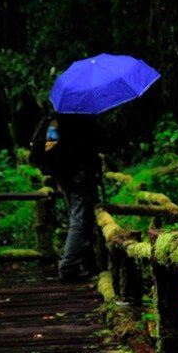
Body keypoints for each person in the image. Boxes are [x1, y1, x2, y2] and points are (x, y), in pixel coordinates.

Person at [46, 113, 103, 281]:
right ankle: (68, 266)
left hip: (63, 176)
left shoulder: (56, 119)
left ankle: (86, 263)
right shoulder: (81, 118)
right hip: (78, 174)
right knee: (79, 219)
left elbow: (51, 147)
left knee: (79, 217)